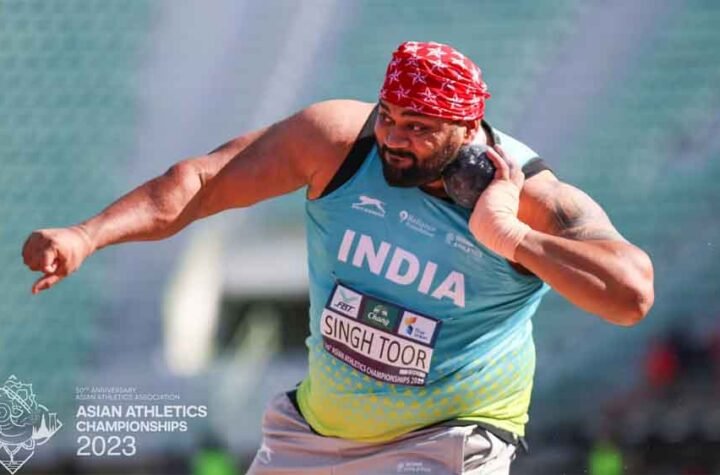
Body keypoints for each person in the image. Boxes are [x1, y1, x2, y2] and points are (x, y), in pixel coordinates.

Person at [22, 41, 654, 474]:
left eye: (419, 128)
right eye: (390, 117)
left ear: (468, 129)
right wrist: (87, 235)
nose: (395, 140)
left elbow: (630, 295)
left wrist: (511, 238)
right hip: (313, 437)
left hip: (449, 441)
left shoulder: (530, 197)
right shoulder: (340, 144)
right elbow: (202, 181)